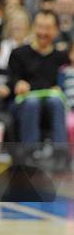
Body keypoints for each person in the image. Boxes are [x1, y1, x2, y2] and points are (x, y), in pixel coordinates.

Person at [8, 10, 69, 144]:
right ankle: (30, 154)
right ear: (33, 27)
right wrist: (18, 84)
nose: (43, 33)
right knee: (32, 102)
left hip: (52, 102)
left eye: (48, 28)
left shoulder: (62, 57)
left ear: (56, 30)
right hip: (23, 103)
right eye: (40, 27)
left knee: (56, 102)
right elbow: (11, 81)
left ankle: (61, 154)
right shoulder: (18, 54)